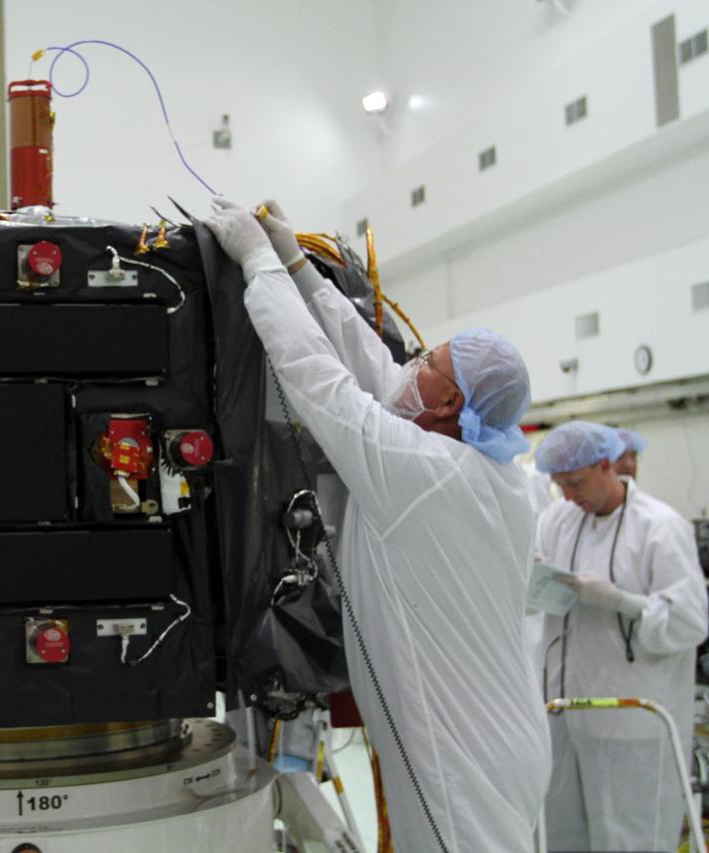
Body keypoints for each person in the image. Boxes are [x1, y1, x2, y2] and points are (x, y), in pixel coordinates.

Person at [205, 197, 550, 851]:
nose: (412, 363)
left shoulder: (428, 475)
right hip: (503, 739)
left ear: (451, 402)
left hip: (461, 759)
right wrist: (299, 266)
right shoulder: (490, 472)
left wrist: (257, 264)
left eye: (430, 360)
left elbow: (323, 383)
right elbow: (379, 375)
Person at [534, 421, 707, 851]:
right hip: (564, 713)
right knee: (562, 835)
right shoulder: (559, 519)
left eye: (575, 482)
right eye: (560, 486)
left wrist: (621, 602)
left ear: (608, 465)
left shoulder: (660, 528)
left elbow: (689, 622)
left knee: (630, 837)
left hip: (633, 721)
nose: (569, 495)